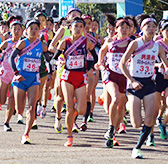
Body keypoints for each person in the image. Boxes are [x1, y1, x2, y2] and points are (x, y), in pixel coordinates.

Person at [119, 14, 168, 159]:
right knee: (136, 123)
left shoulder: (158, 46)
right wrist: (132, 80)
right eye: (148, 26)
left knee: (150, 119)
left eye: (154, 27)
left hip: (149, 83)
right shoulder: (135, 43)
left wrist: (167, 70)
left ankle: (137, 148)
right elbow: (122, 64)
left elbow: (167, 65)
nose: (152, 29)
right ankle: (128, 113)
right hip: (135, 83)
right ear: (142, 29)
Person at [50, 17, 97, 147]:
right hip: (67, 76)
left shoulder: (87, 42)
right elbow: (53, 60)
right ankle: (69, 136)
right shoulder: (64, 43)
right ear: (70, 28)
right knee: (70, 106)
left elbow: (95, 57)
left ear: (83, 29)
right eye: (75, 26)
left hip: (80, 77)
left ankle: (73, 115)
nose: (78, 29)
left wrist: (89, 67)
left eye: (80, 27)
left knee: (81, 110)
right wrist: (59, 61)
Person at [10, 19, 52, 144]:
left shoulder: (42, 45)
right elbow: (12, 58)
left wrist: (50, 71)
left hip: (34, 78)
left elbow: (48, 59)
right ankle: (18, 114)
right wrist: (16, 73)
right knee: (20, 108)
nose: (33, 31)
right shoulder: (23, 43)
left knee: (32, 106)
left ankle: (26, 134)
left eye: (36, 29)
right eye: (31, 28)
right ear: (26, 30)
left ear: (39, 31)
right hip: (21, 77)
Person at [95, 18, 132, 148]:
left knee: (121, 108)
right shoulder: (110, 41)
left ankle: (113, 133)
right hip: (111, 74)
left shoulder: (132, 43)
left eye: (127, 28)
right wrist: (100, 63)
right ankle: (111, 127)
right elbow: (102, 50)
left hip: (125, 77)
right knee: (115, 99)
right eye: (122, 27)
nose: (125, 30)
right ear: (116, 29)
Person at [147, 19, 168, 146]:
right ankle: (150, 135)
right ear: (161, 31)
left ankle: (163, 123)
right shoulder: (155, 45)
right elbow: (148, 61)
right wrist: (158, 64)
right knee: (154, 110)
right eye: (167, 30)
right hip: (157, 77)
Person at [0, 21, 24, 131]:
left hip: (16, 74)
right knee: (1, 101)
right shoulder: (6, 43)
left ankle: (6, 122)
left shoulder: (23, 44)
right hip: (5, 72)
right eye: (14, 29)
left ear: (22, 31)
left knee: (12, 98)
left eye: (19, 29)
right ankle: (5, 101)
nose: (16, 31)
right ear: (10, 30)